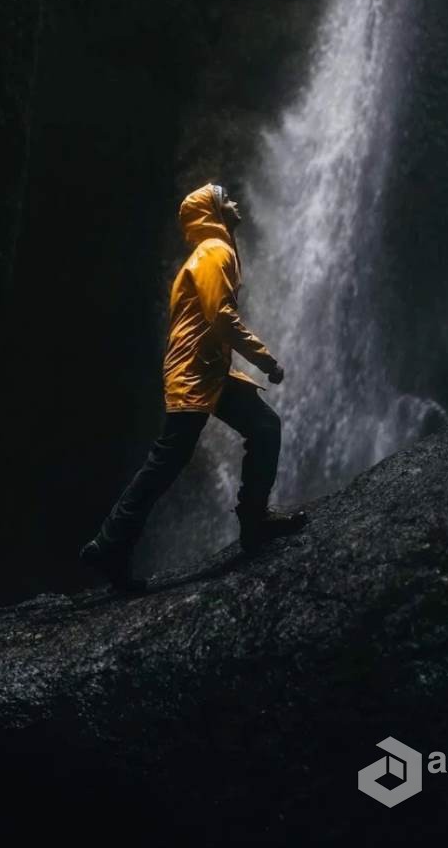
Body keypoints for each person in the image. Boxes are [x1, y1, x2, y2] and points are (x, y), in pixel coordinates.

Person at [79, 182, 307, 593]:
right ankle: (110, 544)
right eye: (226, 199)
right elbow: (221, 316)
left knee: (263, 427)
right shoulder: (214, 252)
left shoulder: (213, 251)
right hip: (194, 373)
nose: (236, 202)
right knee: (168, 459)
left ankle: (253, 519)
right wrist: (266, 360)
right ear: (213, 212)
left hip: (209, 372)